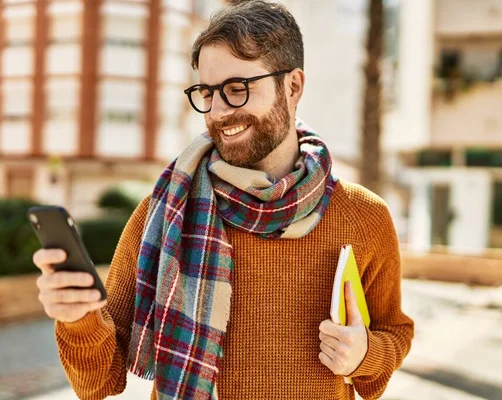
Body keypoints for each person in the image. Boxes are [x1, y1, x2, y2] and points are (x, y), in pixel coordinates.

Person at [32, 1, 414, 399]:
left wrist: (365, 355)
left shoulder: (364, 215)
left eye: (237, 89)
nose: (218, 112)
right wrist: (78, 319)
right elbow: (99, 382)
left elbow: (394, 334)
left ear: (293, 86)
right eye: (207, 93)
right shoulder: (165, 211)